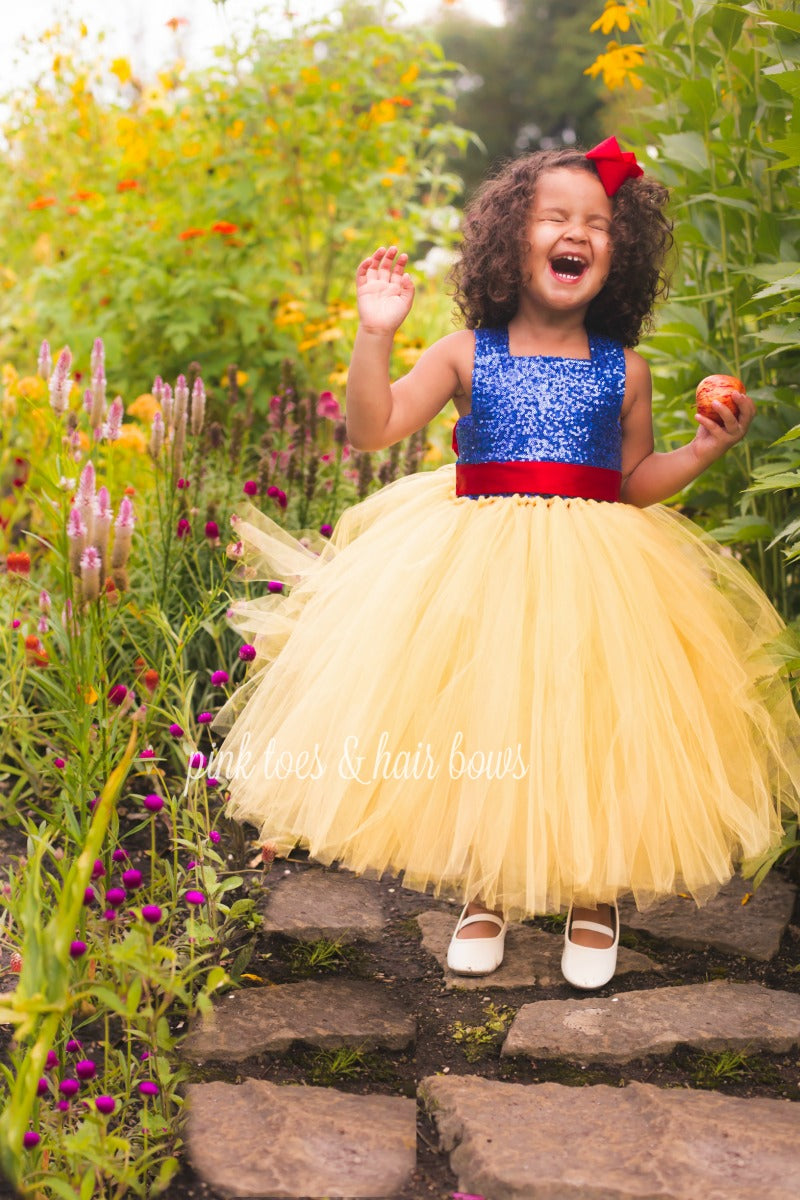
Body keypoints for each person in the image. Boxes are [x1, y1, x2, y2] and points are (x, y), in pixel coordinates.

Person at [214, 138, 800, 990]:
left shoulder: (624, 368)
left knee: (594, 719)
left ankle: (594, 892)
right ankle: (487, 885)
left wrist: (704, 449)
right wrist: (375, 336)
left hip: (601, 565)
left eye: (597, 224)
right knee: (488, 715)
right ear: (509, 242)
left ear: (617, 255)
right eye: (556, 217)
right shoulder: (464, 351)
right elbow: (372, 430)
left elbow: (633, 485)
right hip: (477, 558)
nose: (579, 234)